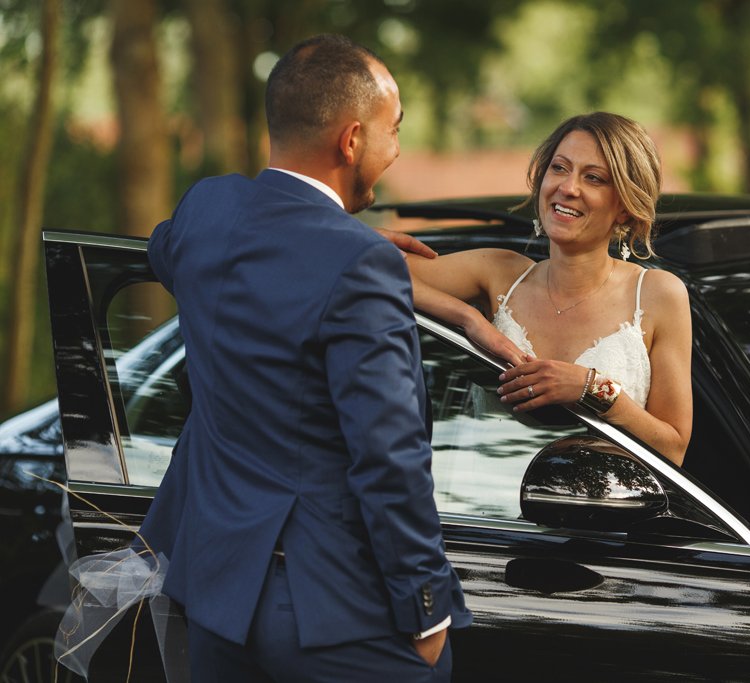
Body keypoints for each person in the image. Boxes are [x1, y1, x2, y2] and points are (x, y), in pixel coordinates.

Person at [138, 34, 469, 682]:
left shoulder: (207, 211)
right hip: (333, 613)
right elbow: (388, 455)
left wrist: (333, 234)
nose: (396, 149)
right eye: (392, 131)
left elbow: (165, 250)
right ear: (351, 142)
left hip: (214, 597)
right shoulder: (362, 264)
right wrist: (427, 607)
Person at [409, 112, 692, 466]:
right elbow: (360, 262)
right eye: (559, 168)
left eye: (593, 178)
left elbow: (674, 449)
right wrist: (468, 317)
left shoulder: (657, 294)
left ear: (623, 208)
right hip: (482, 514)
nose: (568, 187)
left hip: (605, 516)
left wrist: (592, 390)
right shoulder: (498, 273)